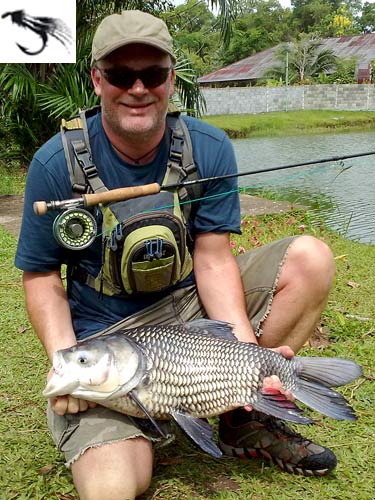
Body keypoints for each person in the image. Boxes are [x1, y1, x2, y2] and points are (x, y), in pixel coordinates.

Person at [15, 10, 336, 500]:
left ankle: (241, 416)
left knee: (310, 259)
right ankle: (133, 427)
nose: (138, 88)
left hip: (188, 313)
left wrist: (251, 359)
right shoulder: (55, 164)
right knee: (111, 489)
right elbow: (40, 277)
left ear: (171, 79)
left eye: (154, 74)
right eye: (122, 75)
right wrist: (68, 367)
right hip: (106, 335)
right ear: (98, 80)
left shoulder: (207, 148)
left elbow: (212, 259)